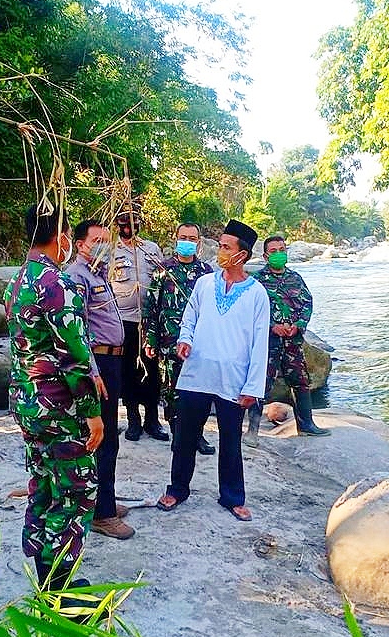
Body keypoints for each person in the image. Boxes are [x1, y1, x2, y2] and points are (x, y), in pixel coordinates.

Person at [4, 203, 104, 594]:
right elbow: (76, 358)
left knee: (44, 482)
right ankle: (61, 591)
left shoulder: (17, 280)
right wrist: (93, 414)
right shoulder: (55, 283)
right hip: (59, 409)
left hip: (27, 404)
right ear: (61, 237)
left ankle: (44, 568)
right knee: (75, 491)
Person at [157, 219, 270, 522]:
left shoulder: (258, 294)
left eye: (225, 247)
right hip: (197, 371)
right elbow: (190, 316)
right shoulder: (205, 283)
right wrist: (184, 339)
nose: (219, 251)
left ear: (241, 255)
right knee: (184, 436)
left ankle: (232, 497)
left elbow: (261, 343)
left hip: (233, 378)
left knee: (230, 439)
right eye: (220, 245)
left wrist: (252, 387)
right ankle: (177, 489)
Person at [65, 219, 134, 540]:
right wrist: (92, 370)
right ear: (80, 244)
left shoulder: (98, 273)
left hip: (112, 361)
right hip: (99, 363)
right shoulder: (77, 277)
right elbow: (76, 329)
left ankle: (102, 501)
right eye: (97, 240)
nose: (104, 246)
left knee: (108, 437)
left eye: (107, 241)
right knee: (102, 438)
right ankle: (102, 514)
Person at [143, 222, 215, 456]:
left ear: (199, 242)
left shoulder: (207, 273)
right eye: (183, 237)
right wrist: (150, 340)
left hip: (199, 344)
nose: (187, 241)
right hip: (169, 343)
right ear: (175, 239)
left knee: (200, 392)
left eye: (192, 238)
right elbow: (151, 308)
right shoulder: (163, 271)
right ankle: (179, 436)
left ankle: (198, 435)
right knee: (172, 392)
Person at [251, 235, 330, 439]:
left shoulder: (295, 278)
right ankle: (252, 431)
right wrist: (271, 326)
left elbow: (307, 303)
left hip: (293, 342)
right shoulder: (257, 281)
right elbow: (249, 311)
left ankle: (306, 426)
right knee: (260, 383)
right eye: (274, 251)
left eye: (282, 250)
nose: (279, 254)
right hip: (267, 342)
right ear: (265, 255)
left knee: (300, 381)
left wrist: (299, 325)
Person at [111, 207, 167, 441]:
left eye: (135, 220)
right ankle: (133, 420)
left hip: (149, 321)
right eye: (125, 220)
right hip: (123, 321)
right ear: (117, 223)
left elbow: (163, 280)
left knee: (152, 371)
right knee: (128, 372)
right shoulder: (110, 252)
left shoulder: (151, 249)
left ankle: (152, 420)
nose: (130, 225)